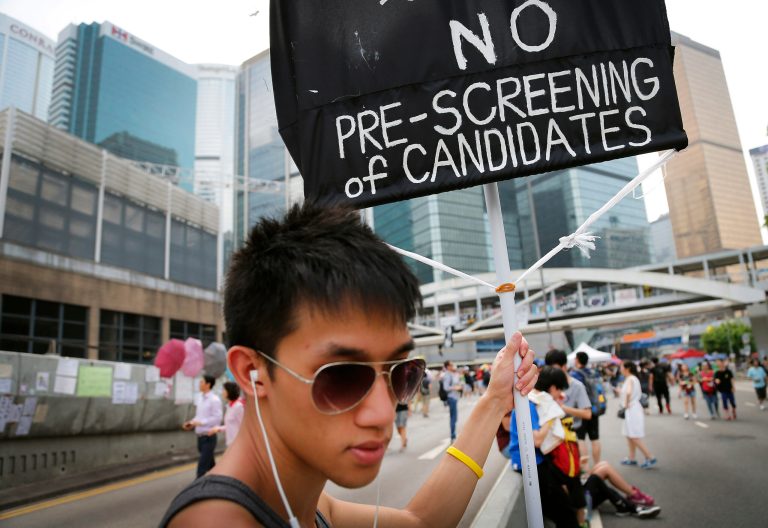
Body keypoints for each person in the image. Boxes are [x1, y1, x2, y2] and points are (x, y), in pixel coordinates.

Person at [161, 203, 538, 527]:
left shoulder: (303, 502)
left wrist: (493, 401)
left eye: (400, 373)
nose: (382, 413)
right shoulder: (218, 521)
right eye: (341, 376)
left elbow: (421, 522)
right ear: (251, 373)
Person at [507, 366, 580, 528]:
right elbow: (537, 440)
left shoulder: (534, 401)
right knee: (565, 512)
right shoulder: (530, 404)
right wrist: (551, 418)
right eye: (559, 390)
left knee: (565, 504)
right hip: (530, 464)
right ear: (553, 388)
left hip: (536, 461)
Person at [545, 350, 593, 467]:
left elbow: (587, 414)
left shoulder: (577, 386)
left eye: (555, 369)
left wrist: (563, 408)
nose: (552, 373)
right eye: (550, 369)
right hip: (553, 438)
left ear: (564, 367)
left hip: (572, 436)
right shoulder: (547, 385)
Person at [583, 461, 661, 518]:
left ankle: (627, 505)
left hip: (578, 490)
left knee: (604, 464)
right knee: (600, 475)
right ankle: (633, 502)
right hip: (577, 501)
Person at [183, 375, 223, 478]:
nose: (199, 384)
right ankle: (217, 482)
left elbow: (217, 418)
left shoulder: (214, 400)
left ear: (208, 384)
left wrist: (201, 422)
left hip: (209, 437)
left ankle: (195, 490)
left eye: (201, 382)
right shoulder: (200, 398)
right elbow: (199, 416)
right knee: (211, 466)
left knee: (201, 468)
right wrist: (191, 423)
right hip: (200, 438)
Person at [619, 361, 657, 469]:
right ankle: (632, 458)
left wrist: (626, 403)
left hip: (632, 409)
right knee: (629, 434)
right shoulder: (632, 378)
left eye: (621, 367)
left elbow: (628, 392)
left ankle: (650, 457)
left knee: (634, 436)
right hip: (632, 409)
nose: (620, 369)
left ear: (627, 368)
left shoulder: (631, 379)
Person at [569, 351, 603, 469]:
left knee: (581, 438)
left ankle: (586, 468)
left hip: (581, 410)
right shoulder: (594, 373)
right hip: (594, 409)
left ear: (577, 360)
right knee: (595, 438)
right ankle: (598, 466)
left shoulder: (575, 375)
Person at [209, 381, 245, 448]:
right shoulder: (229, 406)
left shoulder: (238, 407)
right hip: (230, 443)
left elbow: (243, 426)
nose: (222, 392)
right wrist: (218, 429)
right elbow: (231, 425)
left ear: (229, 391)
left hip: (238, 444)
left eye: (224, 390)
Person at [442, 360, 463, 442]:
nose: (452, 366)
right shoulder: (447, 375)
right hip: (451, 397)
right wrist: (456, 388)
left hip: (454, 397)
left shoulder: (451, 374)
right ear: (447, 366)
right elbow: (446, 387)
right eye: (451, 365)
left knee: (454, 417)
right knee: (453, 417)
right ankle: (452, 435)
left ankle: (453, 434)